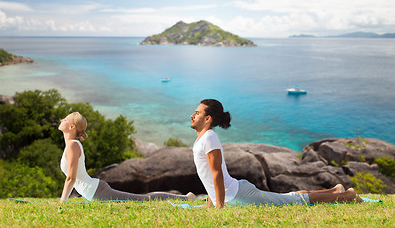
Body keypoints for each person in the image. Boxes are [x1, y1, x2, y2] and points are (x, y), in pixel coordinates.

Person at [190, 99, 362, 208]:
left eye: (197, 113)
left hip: (237, 196)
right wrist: (211, 204)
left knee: (292, 202)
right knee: (287, 198)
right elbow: (209, 177)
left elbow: (216, 173)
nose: (192, 115)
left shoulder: (209, 138)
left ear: (207, 119)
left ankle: (348, 196)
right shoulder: (203, 139)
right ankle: (335, 190)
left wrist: (218, 206)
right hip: (234, 193)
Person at [59, 112, 195, 203]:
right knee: (141, 199)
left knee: (143, 199)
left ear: (72, 126)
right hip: (94, 190)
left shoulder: (73, 146)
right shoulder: (71, 145)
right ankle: (184, 198)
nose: (61, 120)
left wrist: (62, 202)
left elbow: (71, 178)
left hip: (96, 192)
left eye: (65, 119)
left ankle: (185, 198)